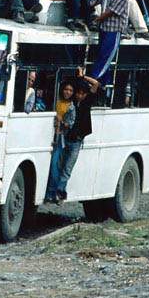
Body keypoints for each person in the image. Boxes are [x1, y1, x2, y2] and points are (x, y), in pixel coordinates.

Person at [52, 69, 101, 202]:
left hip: (76, 141)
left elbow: (96, 84)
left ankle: (60, 191)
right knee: (58, 166)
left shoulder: (87, 102)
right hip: (65, 137)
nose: (79, 95)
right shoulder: (71, 100)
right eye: (78, 93)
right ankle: (57, 192)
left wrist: (84, 76)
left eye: (82, 94)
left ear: (85, 94)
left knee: (67, 168)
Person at [89, 0, 129, 85]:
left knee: (106, 57)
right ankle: (104, 84)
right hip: (103, 28)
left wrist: (97, 19)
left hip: (114, 29)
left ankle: (93, 80)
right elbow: (93, 1)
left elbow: (111, 11)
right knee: (101, 54)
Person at [45, 80, 76, 203]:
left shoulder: (72, 106)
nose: (67, 92)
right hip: (49, 136)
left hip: (61, 139)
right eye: (66, 89)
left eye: (70, 90)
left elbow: (71, 124)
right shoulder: (55, 101)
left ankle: (54, 192)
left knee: (55, 166)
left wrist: (61, 122)